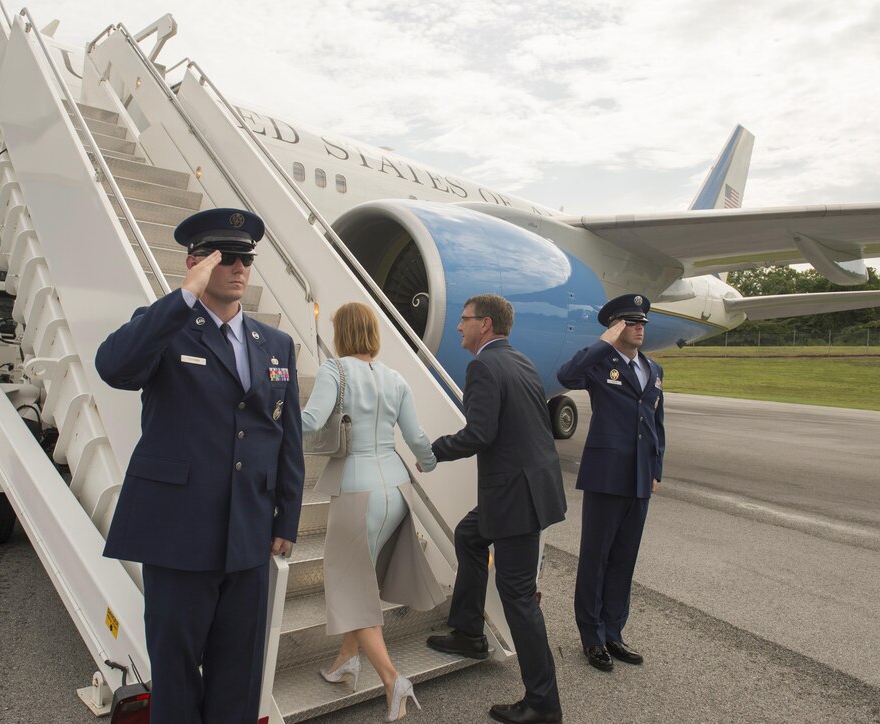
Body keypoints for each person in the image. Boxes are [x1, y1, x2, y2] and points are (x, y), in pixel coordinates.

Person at [95, 208, 304, 723]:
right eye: (225, 257)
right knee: (177, 667)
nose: (238, 267)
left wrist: (286, 518)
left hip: (249, 534)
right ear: (197, 263)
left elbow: (286, 437)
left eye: (246, 259)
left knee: (240, 670)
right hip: (178, 530)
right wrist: (183, 296)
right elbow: (113, 367)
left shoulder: (274, 344)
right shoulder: (166, 326)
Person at [424, 293, 567, 724]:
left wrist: (432, 451)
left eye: (464, 320)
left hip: (515, 498)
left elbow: (479, 434)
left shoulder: (483, 365)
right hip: (527, 489)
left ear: (484, 324)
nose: (458, 327)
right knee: (469, 535)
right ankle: (468, 632)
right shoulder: (519, 360)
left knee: (518, 596)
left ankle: (543, 703)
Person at [302, 301, 442, 722]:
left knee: (347, 583)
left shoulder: (334, 370)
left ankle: (392, 678)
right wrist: (431, 463)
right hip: (396, 488)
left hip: (357, 488)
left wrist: (266, 424)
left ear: (342, 333)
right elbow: (416, 436)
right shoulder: (395, 378)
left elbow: (310, 421)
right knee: (358, 581)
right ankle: (346, 659)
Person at [556, 293, 665, 672]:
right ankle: (591, 636)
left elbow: (656, 424)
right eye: (631, 322)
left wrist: (656, 469)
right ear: (616, 326)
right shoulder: (600, 364)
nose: (640, 328)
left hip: (638, 478)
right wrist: (602, 343)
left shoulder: (654, 369)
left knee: (624, 558)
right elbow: (566, 376)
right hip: (605, 476)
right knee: (596, 558)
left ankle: (614, 632)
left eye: (642, 323)